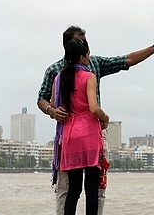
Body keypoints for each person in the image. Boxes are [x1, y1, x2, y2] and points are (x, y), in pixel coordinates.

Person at [37, 25, 154, 215]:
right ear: (70, 46)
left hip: (69, 135)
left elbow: (126, 60)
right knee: (77, 187)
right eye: (81, 42)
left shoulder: (88, 65)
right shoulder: (59, 70)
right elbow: (42, 99)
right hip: (90, 131)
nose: (86, 45)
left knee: (79, 189)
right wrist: (52, 110)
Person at [51, 38, 108, 215]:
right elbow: (93, 108)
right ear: (82, 57)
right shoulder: (88, 77)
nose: (90, 58)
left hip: (69, 135)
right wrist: (105, 117)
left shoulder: (59, 77)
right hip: (89, 135)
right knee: (91, 189)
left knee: (73, 190)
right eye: (88, 54)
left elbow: (53, 103)